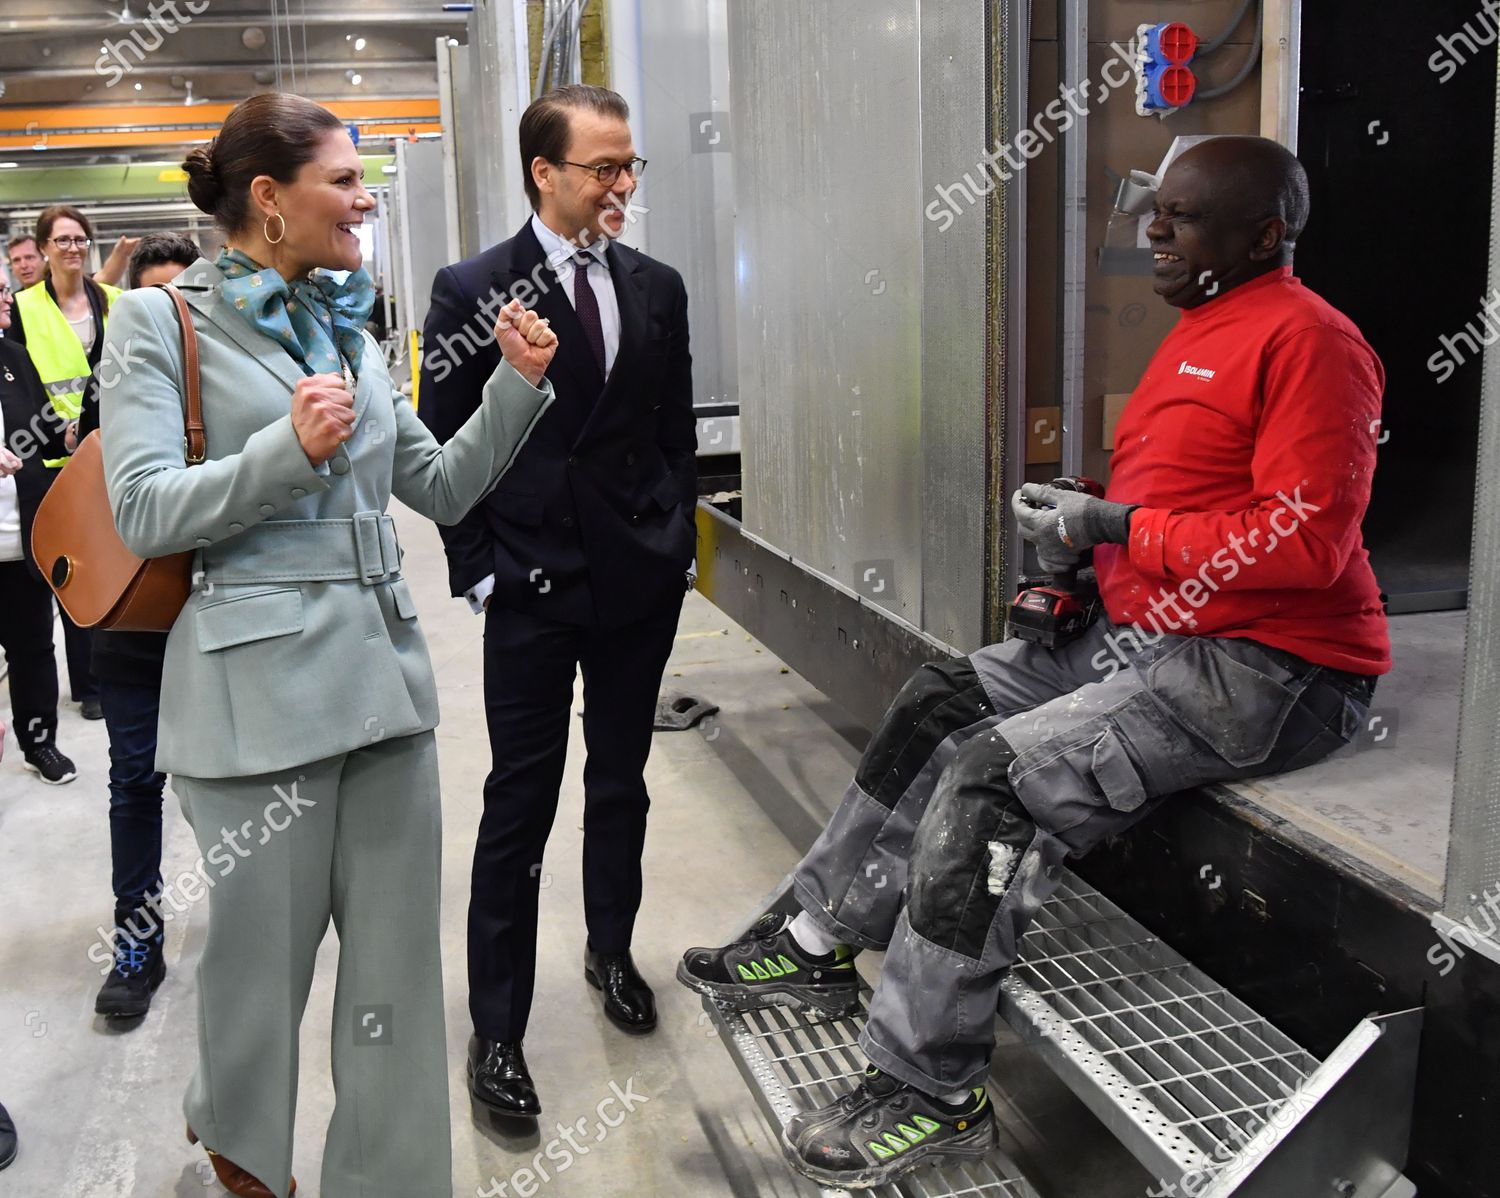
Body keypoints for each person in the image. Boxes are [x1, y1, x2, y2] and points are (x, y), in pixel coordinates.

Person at [678, 136, 1389, 1190]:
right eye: (1155, 209)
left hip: (1267, 669)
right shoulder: (1200, 331)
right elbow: (1185, 505)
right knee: (938, 701)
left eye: (1182, 217)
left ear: (1264, 235)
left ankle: (931, 1087)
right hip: (1146, 633)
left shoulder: (1313, 344)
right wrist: (1087, 562)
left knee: (993, 778)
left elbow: (1304, 543)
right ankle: (821, 935)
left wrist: (1117, 522)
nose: (1152, 229)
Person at [102, 93, 554, 1198]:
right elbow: (147, 510)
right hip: (254, 705)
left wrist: (514, 389)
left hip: (385, 694)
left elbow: (437, 485)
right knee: (259, 973)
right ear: (269, 199)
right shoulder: (160, 325)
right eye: (346, 180)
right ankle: (247, 1161)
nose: (366, 197)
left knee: (396, 978)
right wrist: (285, 451)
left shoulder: (344, 327)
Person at [419, 83, 696, 1120]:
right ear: (545, 171)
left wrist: (677, 536)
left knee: (620, 780)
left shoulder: (655, 285)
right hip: (530, 586)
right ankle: (498, 1033)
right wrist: (478, 564)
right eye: (604, 168)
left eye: (631, 166)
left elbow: (673, 429)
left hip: (636, 582)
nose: (623, 183)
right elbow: (437, 447)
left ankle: (611, 950)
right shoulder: (473, 288)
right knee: (518, 805)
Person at [69, 233, 203, 1022]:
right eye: (154, 302)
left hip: (221, 612)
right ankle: (136, 940)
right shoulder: (112, 388)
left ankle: (260, 934)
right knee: (134, 779)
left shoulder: (237, 382)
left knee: (239, 785)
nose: (172, 316)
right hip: (133, 612)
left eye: (185, 300)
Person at [14, 206, 118, 719]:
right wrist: (59, 434)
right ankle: (78, 688)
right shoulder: (23, 306)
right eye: (62, 240)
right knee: (59, 572)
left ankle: (98, 681)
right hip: (45, 458)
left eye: (80, 238)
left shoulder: (115, 301)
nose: (73, 247)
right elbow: (16, 385)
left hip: (106, 452)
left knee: (101, 569)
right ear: (44, 247)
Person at [0, 279, 77, 785]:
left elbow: (46, 426)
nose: (8, 296)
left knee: (32, 650)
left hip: (16, 540)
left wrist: (78, 431)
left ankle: (39, 742)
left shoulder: (13, 356)